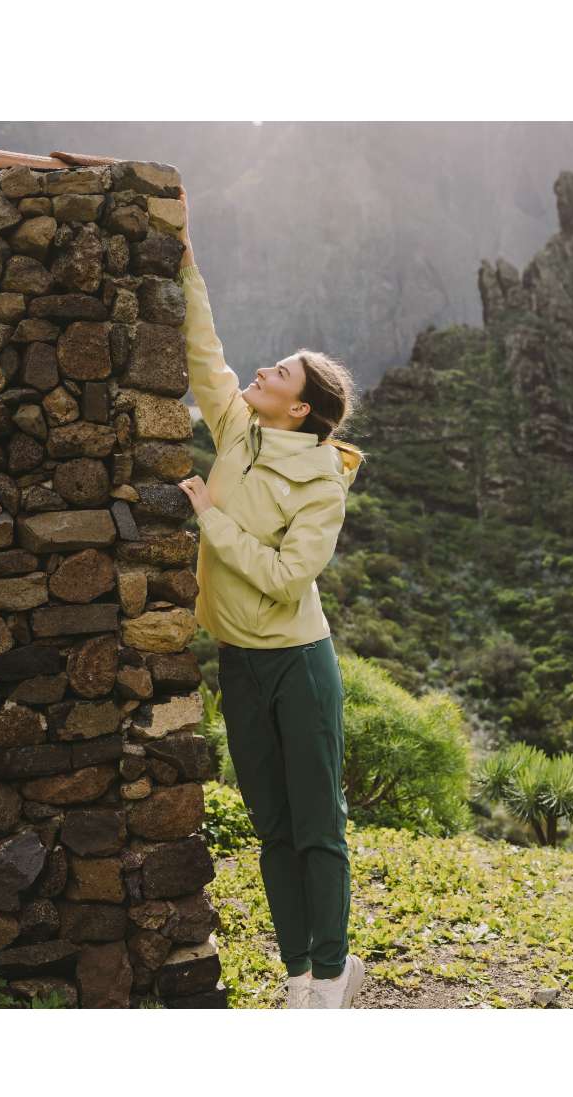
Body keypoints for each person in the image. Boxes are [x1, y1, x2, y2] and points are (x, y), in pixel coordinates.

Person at [174, 209, 369, 1010]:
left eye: (280, 373)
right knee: (272, 827)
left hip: (298, 662)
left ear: (302, 409)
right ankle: (301, 976)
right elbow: (204, 356)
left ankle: (333, 974)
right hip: (239, 660)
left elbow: (289, 578)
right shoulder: (236, 426)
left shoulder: (323, 478)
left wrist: (209, 519)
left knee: (318, 826)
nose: (262, 373)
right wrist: (186, 263)